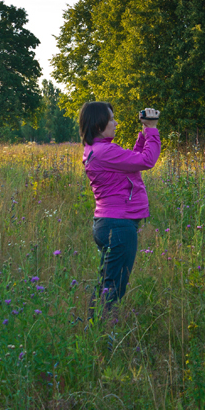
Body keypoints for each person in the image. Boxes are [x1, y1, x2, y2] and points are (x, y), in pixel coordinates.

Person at [78, 102, 161, 319]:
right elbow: (147, 160)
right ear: (98, 124)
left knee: (108, 282)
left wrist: (143, 136)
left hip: (108, 222)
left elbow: (130, 163)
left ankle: (94, 328)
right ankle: (103, 336)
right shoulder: (106, 151)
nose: (116, 123)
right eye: (112, 119)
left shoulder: (96, 150)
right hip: (119, 225)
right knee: (114, 287)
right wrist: (151, 129)